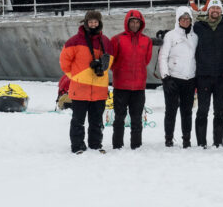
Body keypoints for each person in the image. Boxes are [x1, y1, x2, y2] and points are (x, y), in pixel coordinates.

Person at [59, 9, 114, 154]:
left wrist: (102, 65)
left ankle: (95, 144)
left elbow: (111, 62)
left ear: (99, 23)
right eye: (90, 22)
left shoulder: (106, 42)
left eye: (96, 22)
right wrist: (76, 77)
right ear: (86, 23)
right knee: (78, 120)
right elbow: (64, 62)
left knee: (97, 121)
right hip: (80, 89)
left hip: (99, 89)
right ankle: (77, 146)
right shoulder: (74, 41)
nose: (93, 24)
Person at [193, 0, 223, 148]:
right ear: (208, 10)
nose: (215, 11)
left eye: (218, 8)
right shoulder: (198, 26)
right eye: (213, 8)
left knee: (220, 111)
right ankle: (201, 142)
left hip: (221, 76)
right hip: (203, 76)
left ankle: (218, 142)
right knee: (202, 110)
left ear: (221, 11)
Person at [109, 9, 153, 150]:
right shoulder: (117, 39)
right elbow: (111, 61)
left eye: (137, 22)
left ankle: (136, 145)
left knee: (137, 118)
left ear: (141, 24)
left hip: (138, 87)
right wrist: (120, 71)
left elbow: (146, 60)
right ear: (127, 23)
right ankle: (117, 145)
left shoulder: (146, 41)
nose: (135, 25)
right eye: (132, 22)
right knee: (119, 118)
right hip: (121, 86)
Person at [158, 6, 198, 148]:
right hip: (173, 79)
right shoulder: (170, 36)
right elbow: (163, 57)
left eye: (188, 19)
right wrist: (165, 77)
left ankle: (186, 139)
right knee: (171, 111)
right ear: (178, 20)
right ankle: (168, 138)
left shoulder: (195, 37)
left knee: (187, 111)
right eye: (183, 18)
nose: (185, 21)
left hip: (190, 79)